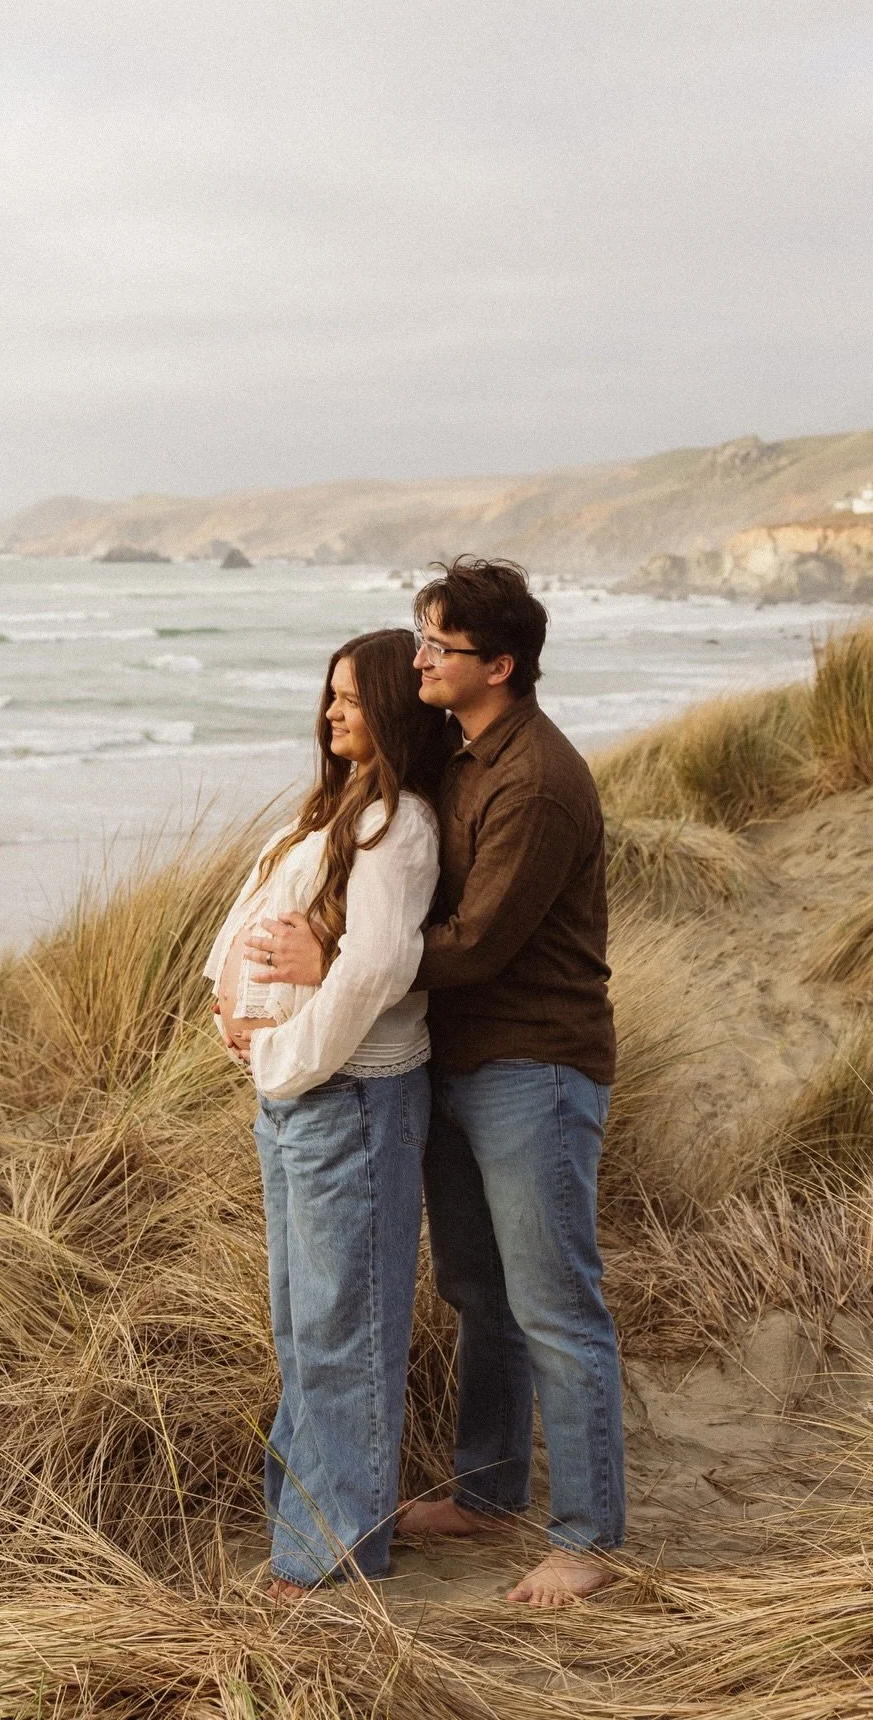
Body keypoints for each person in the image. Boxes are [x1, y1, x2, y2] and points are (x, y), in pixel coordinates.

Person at [247, 558, 625, 1609]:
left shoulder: (538, 781)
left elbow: (476, 943)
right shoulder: (459, 759)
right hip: (451, 1061)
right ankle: (490, 1493)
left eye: (439, 647)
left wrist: (332, 962)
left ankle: (588, 1537)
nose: (418, 660)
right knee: (478, 1293)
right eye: (418, 641)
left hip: (533, 1063)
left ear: (497, 665)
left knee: (556, 1304)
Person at [205, 627, 454, 1599]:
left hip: (345, 1100)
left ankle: (332, 1552)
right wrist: (231, 1019)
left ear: (392, 705)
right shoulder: (333, 814)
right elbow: (244, 930)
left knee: (343, 1328)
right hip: (301, 1102)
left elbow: (380, 970)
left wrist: (281, 1056)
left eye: (352, 697)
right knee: (304, 1327)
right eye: (330, 694)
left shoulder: (401, 825)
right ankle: (304, 1528)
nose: (333, 711)